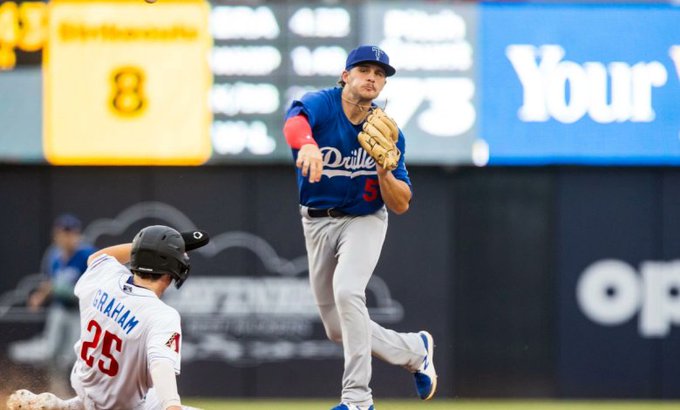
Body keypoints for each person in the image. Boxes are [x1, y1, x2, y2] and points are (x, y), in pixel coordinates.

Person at [282, 45, 437, 410]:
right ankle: (414, 350)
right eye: (364, 69)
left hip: (364, 218)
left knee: (348, 292)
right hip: (317, 221)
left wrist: (384, 171)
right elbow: (294, 122)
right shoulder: (323, 104)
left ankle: (357, 399)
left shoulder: (387, 132)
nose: (372, 77)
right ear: (345, 75)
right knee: (337, 328)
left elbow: (401, 203)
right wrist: (307, 145)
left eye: (380, 73)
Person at [7, 225, 208, 410]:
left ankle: (65, 406)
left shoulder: (105, 277)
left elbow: (99, 257)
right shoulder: (162, 315)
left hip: (88, 389)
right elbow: (161, 366)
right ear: (172, 271)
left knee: (140, 389)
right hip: (123, 405)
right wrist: (172, 405)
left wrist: (151, 246)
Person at [11, 214, 97, 396]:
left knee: (75, 356)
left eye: (70, 233)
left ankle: (79, 395)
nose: (66, 237)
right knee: (51, 353)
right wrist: (40, 295)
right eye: (62, 233)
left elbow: (94, 286)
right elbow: (50, 281)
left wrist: (65, 289)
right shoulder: (54, 255)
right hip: (60, 309)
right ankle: (57, 393)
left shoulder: (87, 255)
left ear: (77, 234)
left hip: (80, 311)